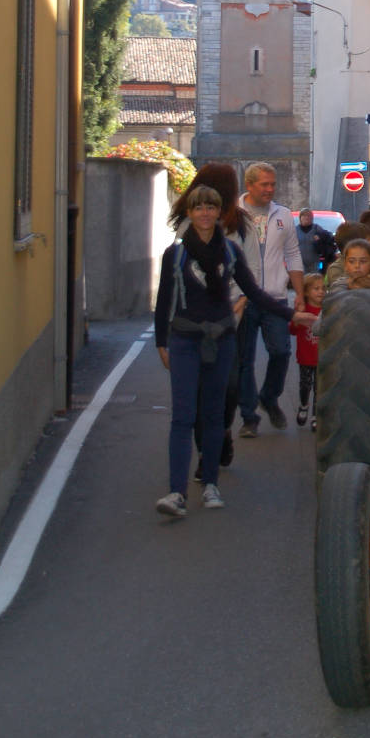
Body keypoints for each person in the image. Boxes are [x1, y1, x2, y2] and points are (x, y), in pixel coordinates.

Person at [153, 185, 293, 518]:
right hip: (184, 341)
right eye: (198, 207)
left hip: (222, 339)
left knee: (214, 416)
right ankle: (176, 492)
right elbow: (164, 303)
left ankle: (211, 483)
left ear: (218, 213)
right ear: (189, 213)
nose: (204, 213)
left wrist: (291, 315)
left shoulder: (230, 252)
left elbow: (254, 292)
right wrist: (162, 343)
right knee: (183, 417)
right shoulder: (176, 254)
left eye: (210, 207)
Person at [169, 161, 254, 476]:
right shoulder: (185, 226)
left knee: (227, 387)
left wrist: (241, 304)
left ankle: (222, 434)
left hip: (232, 320)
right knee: (199, 389)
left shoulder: (241, 225)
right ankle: (207, 452)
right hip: (194, 322)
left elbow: (252, 272)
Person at [237, 162, 304, 436]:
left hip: (275, 297)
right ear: (249, 185)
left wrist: (299, 292)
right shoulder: (233, 214)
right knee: (244, 360)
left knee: (281, 351)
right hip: (243, 299)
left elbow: (293, 254)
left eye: (273, 184)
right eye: (264, 184)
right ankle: (249, 417)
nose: (270, 189)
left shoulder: (283, 215)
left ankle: (269, 396)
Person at [292, 272, 325, 429]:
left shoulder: (327, 309)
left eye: (323, 288)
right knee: (305, 385)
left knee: (320, 387)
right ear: (306, 292)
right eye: (316, 288)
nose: (320, 292)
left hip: (322, 357)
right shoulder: (303, 309)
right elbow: (292, 329)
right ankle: (304, 405)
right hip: (305, 357)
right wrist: (297, 316)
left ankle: (316, 415)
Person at [295, 207, 338, 274]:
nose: (306, 217)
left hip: (315, 263)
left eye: (309, 216)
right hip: (300, 263)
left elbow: (329, 236)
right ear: (300, 218)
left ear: (312, 218)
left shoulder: (317, 229)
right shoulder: (295, 230)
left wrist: (319, 238)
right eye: (304, 215)